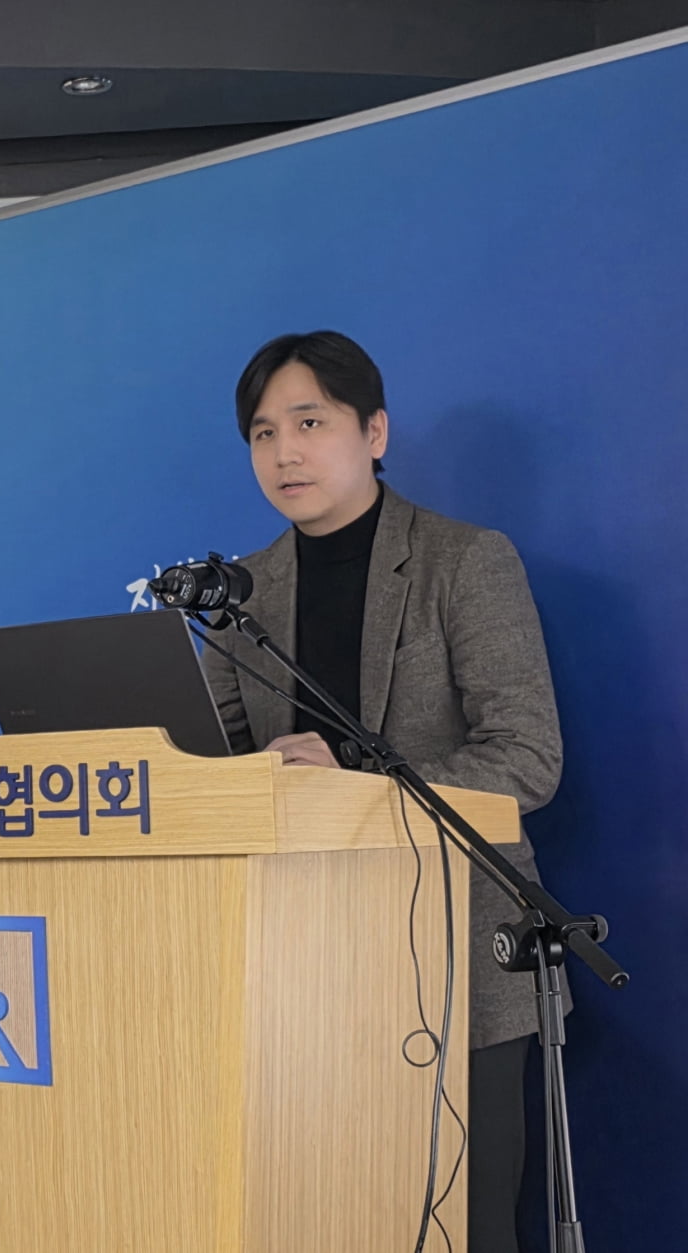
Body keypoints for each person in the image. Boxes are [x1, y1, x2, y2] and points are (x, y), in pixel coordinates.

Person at [202, 330, 563, 1253]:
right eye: (262, 433)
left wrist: (352, 783)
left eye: (309, 423)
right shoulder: (241, 596)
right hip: (300, 970)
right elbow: (216, 771)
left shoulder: (463, 561)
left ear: (375, 432)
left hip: (456, 957)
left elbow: (526, 757)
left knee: (468, 1229)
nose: (284, 452)